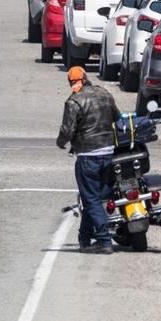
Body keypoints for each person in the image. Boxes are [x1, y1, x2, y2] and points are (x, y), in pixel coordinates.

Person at [56, 64, 121, 253]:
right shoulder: (104, 94)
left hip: (87, 156)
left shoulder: (74, 101)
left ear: (71, 82)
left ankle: (103, 240)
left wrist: (60, 142)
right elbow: (117, 117)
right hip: (108, 153)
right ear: (86, 77)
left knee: (91, 198)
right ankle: (85, 237)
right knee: (97, 197)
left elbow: (67, 131)